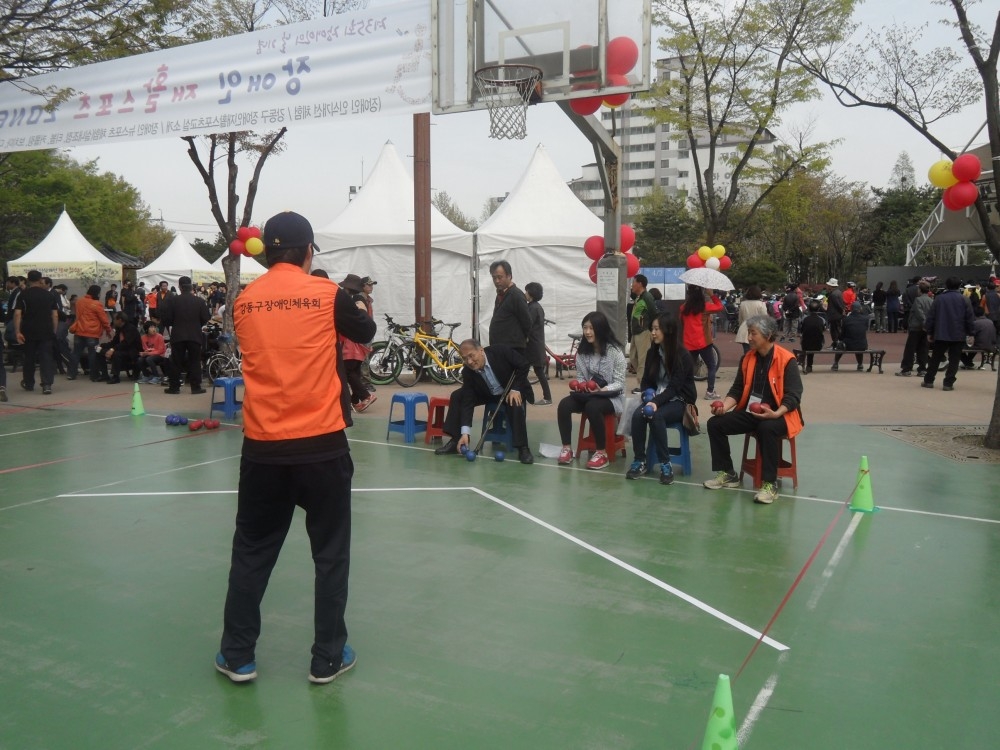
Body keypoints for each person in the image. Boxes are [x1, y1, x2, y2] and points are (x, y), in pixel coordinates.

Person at [215, 211, 376, 685]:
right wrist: (357, 302)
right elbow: (364, 334)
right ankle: (327, 657)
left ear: (267, 252)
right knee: (330, 554)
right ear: (308, 252)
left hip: (263, 448)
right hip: (322, 447)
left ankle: (237, 654)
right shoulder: (327, 294)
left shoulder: (244, 301)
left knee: (251, 552)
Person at [703, 315, 804, 504]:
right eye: (748, 333)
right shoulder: (747, 358)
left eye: (753, 333)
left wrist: (776, 413)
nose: (748, 337)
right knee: (715, 424)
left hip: (781, 415)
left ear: (768, 335)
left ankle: (769, 485)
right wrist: (724, 407)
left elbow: (794, 395)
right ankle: (728, 473)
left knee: (767, 428)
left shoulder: (786, 359)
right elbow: (737, 389)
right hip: (752, 412)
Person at [433, 339, 535, 464]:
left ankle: (523, 448)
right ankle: (457, 439)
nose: (469, 361)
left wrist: (516, 389)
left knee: (514, 402)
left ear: (481, 350)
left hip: (510, 390)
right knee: (458, 395)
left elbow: (524, 364)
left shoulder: (500, 351)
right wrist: (465, 432)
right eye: (465, 358)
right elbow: (468, 400)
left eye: (471, 356)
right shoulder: (467, 371)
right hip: (488, 393)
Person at [625, 314, 696, 485]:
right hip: (657, 398)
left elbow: (674, 388)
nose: (653, 333)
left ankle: (666, 464)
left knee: (655, 416)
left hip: (679, 400)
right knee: (638, 415)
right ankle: (640, 460)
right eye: (652, 329)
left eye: (657, 329)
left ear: (668, 331)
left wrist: (655, 402)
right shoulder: (653, 352)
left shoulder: (683, 356)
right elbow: (646, 381)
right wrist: (647, 393)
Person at [555, 311, 627, 470]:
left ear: (601, 329)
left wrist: (603, 389)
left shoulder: (615, 352)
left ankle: (602, 453)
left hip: (612, 397)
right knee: (564, 405)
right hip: (590, 395)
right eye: (585, 328)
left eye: (591, 328)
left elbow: (620, 383)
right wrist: (581, 386)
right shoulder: (582, 352)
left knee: (593, 407)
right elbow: (581, 377)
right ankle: (567, 448)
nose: (587, 332)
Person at [157, 275, 210, 395]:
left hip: (178, 335)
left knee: (176, 361)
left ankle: (174, 387)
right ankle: (196, 387)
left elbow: (166, 319)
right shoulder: (199, 301)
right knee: (195, 361)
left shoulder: (172, 301)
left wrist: (175, 323)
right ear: (191, 287)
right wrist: (197, 324)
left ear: (180, 287)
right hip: (195, 335)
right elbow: (205, 317)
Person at [922, 276, 975, 391]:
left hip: (941, 333)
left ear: (946, 285)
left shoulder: (939, 299)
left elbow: (931, 316)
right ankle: (948, 383)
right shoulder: (965, 299)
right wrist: (971, 333)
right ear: (959, 286)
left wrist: (929, 331)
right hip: (958, 334)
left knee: (935, 358)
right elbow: (970, 318)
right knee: (954, 360)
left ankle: (929, 380)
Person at [13, 270, 58, 394]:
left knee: (29, 358)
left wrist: (17, 331)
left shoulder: (23, 295)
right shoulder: (49, 295)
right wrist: (54, 330)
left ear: (28, 280)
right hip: (46, 330)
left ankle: (29, 383)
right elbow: (55, 315)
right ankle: (47, 384)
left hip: (28, 330)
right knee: (46, 357)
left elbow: (17, 314)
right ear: (40, 279)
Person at [339, 273, 377, 412]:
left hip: (351, 343)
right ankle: (355, 402)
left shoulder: (354, 300)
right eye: (369, 285)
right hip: (360, 342)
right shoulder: (362, 300)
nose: (371, 287)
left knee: (348, 372)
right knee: (354, 372)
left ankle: (366, 396)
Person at [680, 284, 723, 400]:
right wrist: (712, 295)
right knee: (711, 366)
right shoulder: (705, 307)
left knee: (687, 368)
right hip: (703, 342)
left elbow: (682, 322)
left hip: (689, 342)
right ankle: (710, 392)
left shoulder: (683, 308)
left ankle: (683, 390)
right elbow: (720, 307)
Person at [67, 285, 112, 381]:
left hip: (79, 331)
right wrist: (108, 330)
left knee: (76, 353)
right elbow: (104, 320)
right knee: (93, 355)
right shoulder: (97, 304)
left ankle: (71, 374)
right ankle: (94, 375)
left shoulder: (79, 301)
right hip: (92, 333)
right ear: (97, 293)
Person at [487, 260, 531, 355]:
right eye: (494, 278)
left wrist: (518, 341)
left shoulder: (516, 295)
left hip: (511, 349)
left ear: (509, 276)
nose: (497, 281)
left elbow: (527, 322)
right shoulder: (501, 294)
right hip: (499, 347)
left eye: (500, 277)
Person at [628, 274, 658, 391]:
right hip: (635, 332)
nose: (632, 285)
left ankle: (643, 385)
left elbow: (654, 313)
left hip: (643, 332)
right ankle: (645, 380)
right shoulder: (639, 297)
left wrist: (651, 329)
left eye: (634, 282)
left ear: (640, 284)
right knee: (633, 357)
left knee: (642, 359)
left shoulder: (647, 297)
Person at [524, 282, 552, 405]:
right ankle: (542, 397)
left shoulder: (533, 308)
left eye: (526, 291)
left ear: (531, 293)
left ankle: (546, 398)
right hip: (536, 344)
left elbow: (527, 325)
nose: (525, 293)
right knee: (536, 371)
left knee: (533, 371)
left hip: (532, 345)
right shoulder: (536, 306)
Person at [896, 281, 932, 377]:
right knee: (923, 348)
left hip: (916, 327)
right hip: (926, 328)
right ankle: (922, 368)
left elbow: (919, 313)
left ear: (919, 290)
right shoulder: (931, 300)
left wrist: (924, 323)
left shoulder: (918, 300)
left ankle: (906, 368)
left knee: (910, 349)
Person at [103, 312, 142, 384]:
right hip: (122, 349)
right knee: (101, 351)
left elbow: (126, 343)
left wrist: (112, 349)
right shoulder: (120, 329)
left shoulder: (131, 328)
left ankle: (115, 377)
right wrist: (103, 346)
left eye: (114, 319)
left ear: (120, 320)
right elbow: (114, 342)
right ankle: (104, 374)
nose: (113, 321)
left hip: (132, 351)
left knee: (116, 354)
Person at [832, 302, 870, 371]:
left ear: (851, 309)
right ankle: (860, 364)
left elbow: (842, 334)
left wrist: (839, 338)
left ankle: (836, 363)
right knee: (859, 342)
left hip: (849, 344)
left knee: (840, 345)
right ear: (860, 309)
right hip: (862, 344)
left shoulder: (846, 319)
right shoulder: (865, 319)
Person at [735, 285, 768, 356]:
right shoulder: (761, 304)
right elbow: (765, 318)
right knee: (758, 350)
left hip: (745, 328)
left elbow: (740, 318)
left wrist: (740, 326)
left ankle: (747, 361)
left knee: (747, 351)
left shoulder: (743, 304)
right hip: (758, 328)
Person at [798, 299, 826, 373]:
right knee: (815, 337)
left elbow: (801, 330)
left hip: (805, 344)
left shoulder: (805, 319)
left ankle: (804, 360)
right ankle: (809, 365)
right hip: (818, 345)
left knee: (806, 338)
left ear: (809, 309)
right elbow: (823, 330)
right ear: (818, 309)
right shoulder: (822, 320)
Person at [825, 278, 845, 347]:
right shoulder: (838, 292)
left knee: (834, 330)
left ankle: (836, 342)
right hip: (837, 314)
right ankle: (837, 342)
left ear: (831, 286)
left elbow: (838, 305)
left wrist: (842, 310)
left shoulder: (833, 294)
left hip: (834, 314)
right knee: (837, 328)